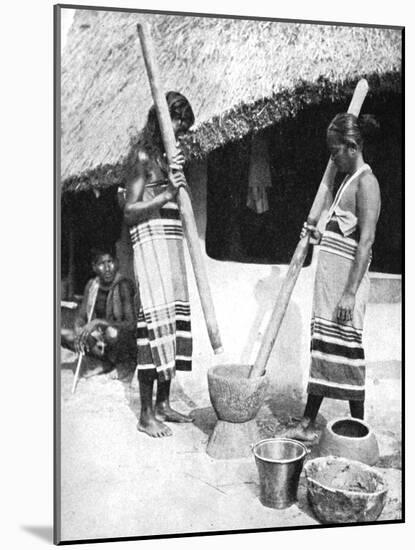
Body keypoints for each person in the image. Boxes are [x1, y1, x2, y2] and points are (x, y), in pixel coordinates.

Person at [287, 113, 381, 442]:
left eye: (335, 151)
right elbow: (339, 229)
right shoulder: (346, 181)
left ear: (352, 147)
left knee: (348, 352)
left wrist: (350, 293)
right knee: (325, 352)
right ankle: (307, 422)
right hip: (330, 285)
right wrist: (314, 233)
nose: (332, 157)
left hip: (345, 287)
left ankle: (359, 430)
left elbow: (366, 242)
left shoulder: (367, 183)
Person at [124, 91, 195, 438]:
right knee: (153, 328)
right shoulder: (141, 156)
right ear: (162, 123)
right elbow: (129, 210)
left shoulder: (168, 158)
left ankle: (164, 404)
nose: (179, 137)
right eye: (177, 129)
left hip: (170, 245)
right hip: (150, 246)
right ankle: (146, 414)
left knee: (173, 321)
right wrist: (167, 195)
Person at [61, 249, 136, 378]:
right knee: (63, 334)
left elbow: (131, 324)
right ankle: (104, 362)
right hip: (101, 339)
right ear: (94, 267)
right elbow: (81, 315)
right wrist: (78, 327)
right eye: (102, 264)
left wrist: (99, 322)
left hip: (122, 339)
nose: (107, 268)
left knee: (111, 332)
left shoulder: (123, 285)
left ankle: (120, 364)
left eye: (110, 262)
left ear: (117, 263)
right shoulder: (92, 285)